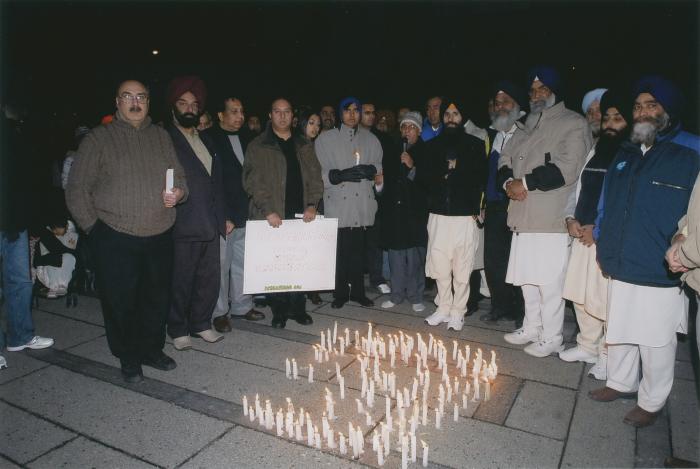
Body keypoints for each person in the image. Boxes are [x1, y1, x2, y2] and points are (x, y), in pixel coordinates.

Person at [590, 76, 699, 427]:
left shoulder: (691, 150)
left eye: (651, 105)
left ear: (667, 110)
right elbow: (606, 203)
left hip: (660, 263)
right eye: (637, 106)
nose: (642, 112)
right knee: (619, 326)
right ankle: (620, 382)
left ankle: (652, 401)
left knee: (655, 338)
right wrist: (604, 239)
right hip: (622, 257)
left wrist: (683, 243)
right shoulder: (626, 150)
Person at [66, 79, 187, 382]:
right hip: (115, 235)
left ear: (148, 101)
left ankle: (151, 349)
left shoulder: (161, 136)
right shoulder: (98, 139)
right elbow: (77, 189)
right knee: (121, 302)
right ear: (117, 102)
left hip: (159, 233)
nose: (135, 102)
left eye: (141, 97)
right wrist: (94, 229)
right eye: (128, 96)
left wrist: (179, 194)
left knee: (156, 299)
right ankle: (128, 355)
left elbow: (181, 180)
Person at [499, 66, 592, 357]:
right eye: (533, 90)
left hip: (550, 216)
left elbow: (567, 167)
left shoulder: (573, 123)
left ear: (554, 92)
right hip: (522, 214)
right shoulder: (526, 123)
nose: (537, 94)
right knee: (527, 278)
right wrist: (506, 182)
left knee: (549, 281)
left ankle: (552, 336)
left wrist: (523, 181)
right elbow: (505, 156)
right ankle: (532, 326)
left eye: (543, 89)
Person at [559, 89, 629, 380]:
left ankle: (607, 355)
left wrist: (597, 229)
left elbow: (622, 200)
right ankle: (586, 345)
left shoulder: (630, 154)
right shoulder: (596, 149)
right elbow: (579, 188)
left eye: (617, 118)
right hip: (581, 233)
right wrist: (570, 218)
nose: (610, 123)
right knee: (580, 294)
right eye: (606, 117)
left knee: (604, 300)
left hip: (605, 238)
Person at [243, 98, 323, 328]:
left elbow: (315, 177)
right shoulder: (258, 145)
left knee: (299, 264)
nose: (282, 116)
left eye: (287, 111)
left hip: (300, 214)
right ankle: (279, 311)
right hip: (271, 214)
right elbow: (252, 180)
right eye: (277, 112)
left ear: (292, 115)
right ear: (270, 115)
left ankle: (298, 309)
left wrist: (312, 204)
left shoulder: (304, 144)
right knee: (275, 267)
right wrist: (267, 210)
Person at [165, 76, 227, 350]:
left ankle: (201, 323)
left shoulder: (206, 140)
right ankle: (177, 328)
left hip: (211, 222)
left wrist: (223, 216)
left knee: (209, 278)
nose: (189, 108)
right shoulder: (165, 138)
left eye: (194, 104)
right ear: (173, 107)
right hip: (184, 220)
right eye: (183, 103)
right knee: (182, 279)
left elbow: (217, 181)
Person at [421, 99, 487, 331]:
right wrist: (450, 170)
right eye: (447, 113)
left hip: (464, 216)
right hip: (438, 215)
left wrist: (454, 171)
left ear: (462, 118)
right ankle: (444, 308)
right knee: (439, 265)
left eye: (455, 113)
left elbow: (478, 179)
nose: (450, 118)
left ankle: (458, 312)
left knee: (462, 267)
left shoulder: (475, 145)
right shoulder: (431, 146)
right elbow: (426, 180)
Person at [205, 96, 265, 333]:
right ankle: (219, 312)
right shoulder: (208, 138)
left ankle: (242, 305)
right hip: (224, 215)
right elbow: (210, 181)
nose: (240, 116)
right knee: (221, 265)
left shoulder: (248, 138)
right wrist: (222, 214)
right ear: (220, 114)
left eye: (242, 111)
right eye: (233, 111)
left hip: (247, 212)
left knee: (244, 263)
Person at [1, 101, 54, 370]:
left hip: (13, 222)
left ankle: (19, 336)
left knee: (20, 281)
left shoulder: (12, 134)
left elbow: (24, 179)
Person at [315, 97, 382, 309]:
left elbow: (379, 167)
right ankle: (341, 293)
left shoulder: (371, 139)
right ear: (340, 113)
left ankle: (359, 293)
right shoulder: (326, 139)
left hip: (361, 201)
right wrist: (336, 175)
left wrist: (373, 170)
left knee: (358, 251)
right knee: (340, 251)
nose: (352, 114)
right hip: (339, 202)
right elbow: (318, 171)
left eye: (356, 110)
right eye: (347, 110)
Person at [476, 82, 527, 328]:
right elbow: (487, 174)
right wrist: (483, 203)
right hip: (495, 205)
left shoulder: (526, 131)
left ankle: (522, 312)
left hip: (517, 204)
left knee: (516, 260)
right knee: (494, 260)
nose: (500, 107)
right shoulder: (494, 134)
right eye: (497, 103)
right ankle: (500, 306)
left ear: (517, 105)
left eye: (506, 102)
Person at [378, 111, 429, 312]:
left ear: (418, 130)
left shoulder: (426, 151)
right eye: (404, 127)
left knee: (415, 258)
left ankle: (416, 296)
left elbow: (428, 182)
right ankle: (396, 294)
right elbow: (385, 184)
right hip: (395, 213)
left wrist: (412, 166)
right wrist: (380, 185)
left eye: (411, 127)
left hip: (415, 214)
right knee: (396, 258)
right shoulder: (393, 150)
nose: (407, 131)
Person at [361, 102, 392, 295]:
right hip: (353, 196)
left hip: (376, 196)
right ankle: (351, 278)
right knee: (354, 240)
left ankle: (376, 277)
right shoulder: (349, 137)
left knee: (375, 239)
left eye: (373, 113)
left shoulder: (382, 138)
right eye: (367, 113)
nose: (371, 116)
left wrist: (381, 184)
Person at [296, 108, 324, 306]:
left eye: (318, 124)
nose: (315, 128)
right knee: (299, 249)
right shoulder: (296, 144)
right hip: (301, 201)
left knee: (314, 247)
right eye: (311, 123)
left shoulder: (317, 146)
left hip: (316, 201)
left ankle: (312, 288)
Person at [33, 217, 78, 298]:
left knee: (69, 257)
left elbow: (69, 250)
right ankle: (53, 288)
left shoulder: (65, 233)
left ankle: (62, 287)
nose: (67, 229)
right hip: (45, 267)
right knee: (60, 258)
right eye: (65, 227)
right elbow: (57, 250)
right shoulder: (46, 234)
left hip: (58, 265)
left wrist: (70, 236)